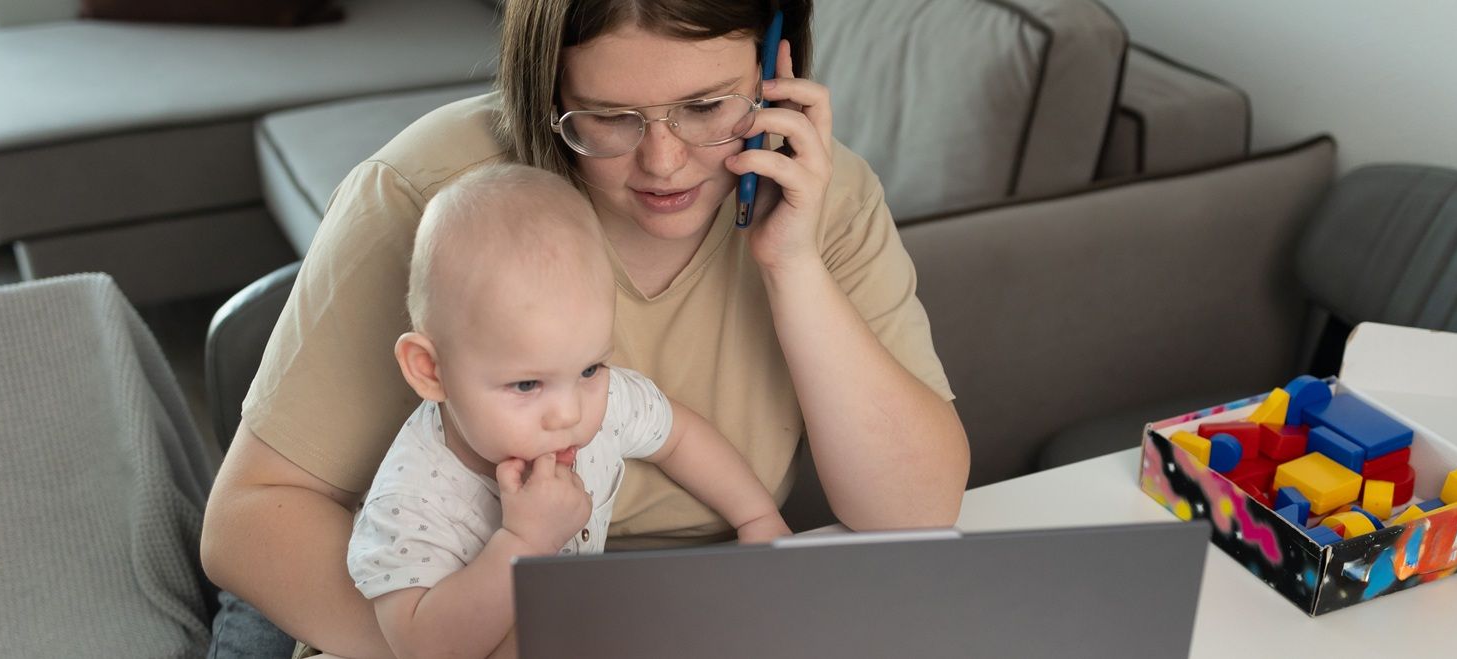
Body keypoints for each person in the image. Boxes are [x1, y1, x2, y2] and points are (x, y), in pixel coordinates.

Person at [202, 1, 971, 657]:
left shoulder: (820, 197)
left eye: (707, 108)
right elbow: (244, 524)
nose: (665, 162)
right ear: (548, 89)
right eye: (609, 117)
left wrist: (793, 265)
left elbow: (913, 513)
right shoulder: (428, 199)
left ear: (778, 69)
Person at [349, 163, 790, 658]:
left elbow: (679, 436)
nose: (568, 414)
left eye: (589, 368)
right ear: (431, 371)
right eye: (526, 384)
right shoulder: (413, 498)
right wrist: (522, 542)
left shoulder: (598, 405)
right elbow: (422, 646)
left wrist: (757, 517)